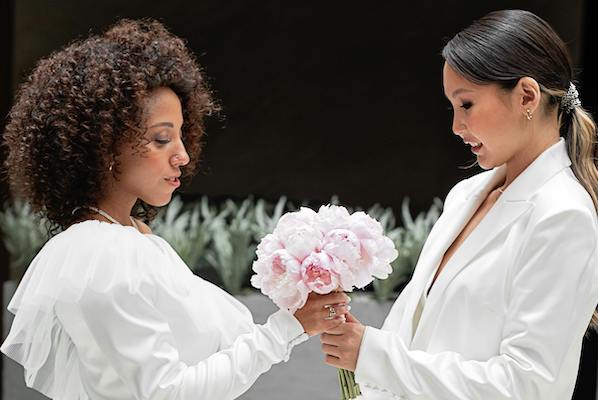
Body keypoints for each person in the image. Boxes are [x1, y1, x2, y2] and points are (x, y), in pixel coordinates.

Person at [0, 19, 350, 400]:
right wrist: (288, 328)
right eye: (161, 139)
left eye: (183, 135)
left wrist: (301, 307)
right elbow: (167, 393)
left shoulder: (133, 240)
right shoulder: (101, 255)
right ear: (105, 147)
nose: (182, 155)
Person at [320, 10, 598, 400]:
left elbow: (527, 387)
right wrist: (358, 347)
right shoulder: (466, 195)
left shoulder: (562, 215)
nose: (455, 125)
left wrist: (372, 354)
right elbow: (419, 334)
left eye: (466, 105)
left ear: (527, 96)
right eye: (452, 106)